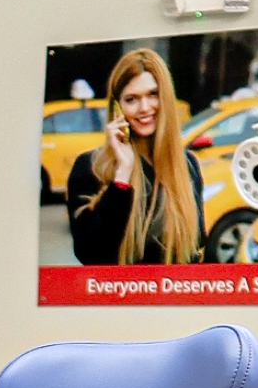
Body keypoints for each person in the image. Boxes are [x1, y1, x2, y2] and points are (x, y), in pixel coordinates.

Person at [66, 47, 205, 267]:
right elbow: (89, 253)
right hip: (122, 298)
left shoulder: (187, 165)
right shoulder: (91, 167)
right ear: (118, 108)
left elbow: (195, 246)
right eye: (131, 99)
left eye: (153, 95)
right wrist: (122, 176)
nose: (144, 108)